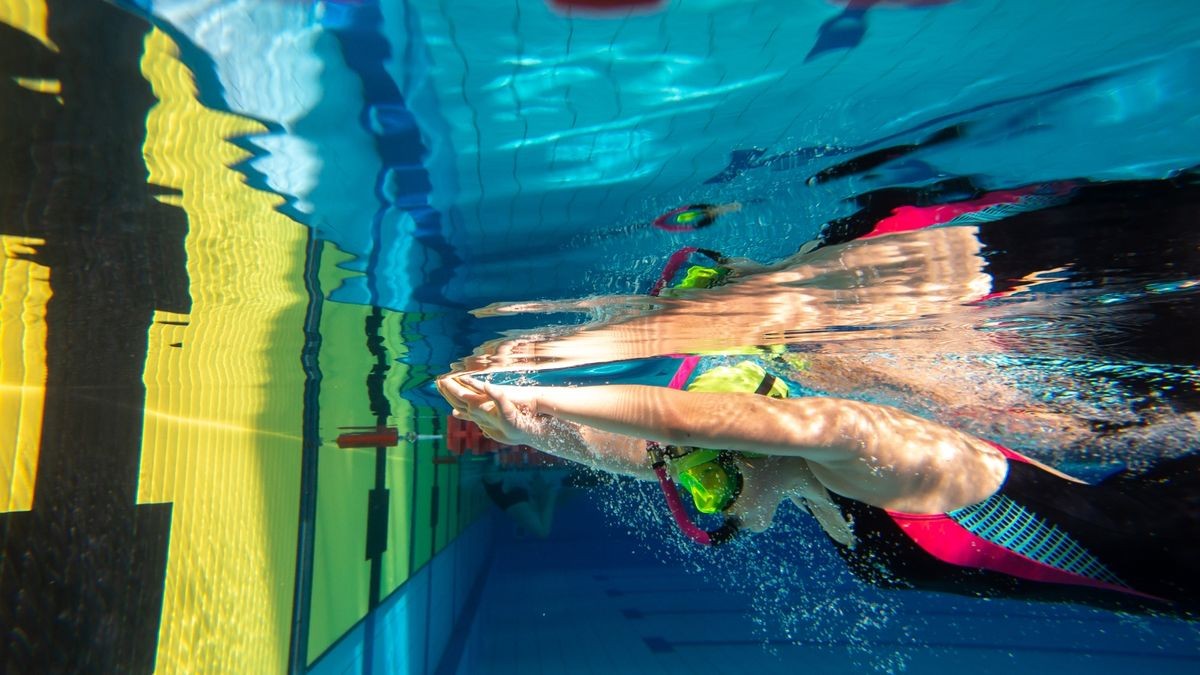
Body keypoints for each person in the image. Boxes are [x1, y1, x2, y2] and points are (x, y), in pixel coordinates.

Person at [438, 360, 1200, 615]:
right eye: (706, 485)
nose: (717, 502)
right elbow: (656, 450)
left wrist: (537, 398)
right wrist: (526, 430)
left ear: (752, 436)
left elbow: (679, 419)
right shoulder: (801, 481)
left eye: (712, 478)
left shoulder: (872, 450)